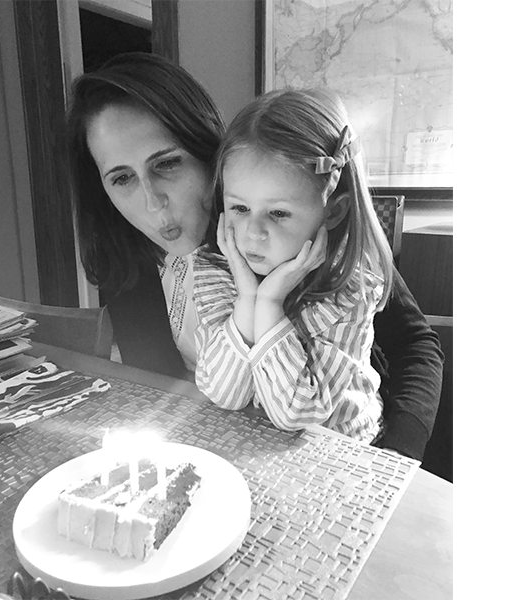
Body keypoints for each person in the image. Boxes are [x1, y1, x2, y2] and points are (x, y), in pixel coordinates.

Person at [66, 53, 443, 457]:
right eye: (122, 178)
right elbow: (160, 389)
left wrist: (398, 462)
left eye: (168, 164)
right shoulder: (127, 260)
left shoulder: (310, 241)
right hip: (228, 453)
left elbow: (414, 344)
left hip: (343, 446)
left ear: (208, 154)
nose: (153, 203)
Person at [193, 88, 394, 442]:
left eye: (279, 213)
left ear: (333, 211)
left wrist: (269, 303)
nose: (253, 233)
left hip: (342, 450)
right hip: (259, 441)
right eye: (240, 208)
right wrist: (246, 297)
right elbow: (223, 393)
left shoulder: (351, 290)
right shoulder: (216, 270)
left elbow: (297, 413)